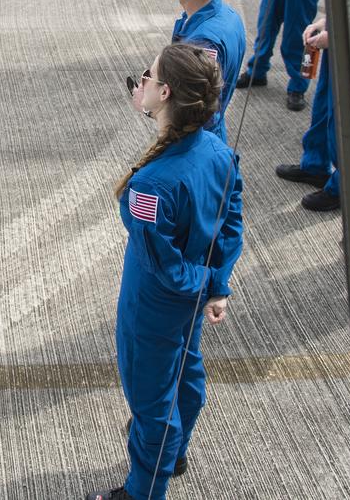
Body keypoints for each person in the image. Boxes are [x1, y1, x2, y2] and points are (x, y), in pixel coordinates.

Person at [86, 44, 244, 500]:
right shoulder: (216, 149)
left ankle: (143, 491)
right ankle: (175, 454)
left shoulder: (150, 185)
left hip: (153, 310)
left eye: (148, 76)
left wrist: (202, 287)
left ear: (166, 92)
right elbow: (231, 218)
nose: (143, 81)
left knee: (153, 409)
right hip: (189, 302)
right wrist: (217, 284)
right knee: (188, 375)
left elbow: (164, 266)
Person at [160, 0, 247, 142]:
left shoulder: (203, 42)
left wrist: (151, 105)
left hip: (194, 146)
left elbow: (197, 112)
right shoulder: (229, 16)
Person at [275, 16, 341, 211]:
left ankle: (341, 187)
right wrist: (324, 23)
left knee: (340, 116)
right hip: (337, 38)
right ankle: (316, 166)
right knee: (323, 106)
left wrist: (336, 34)